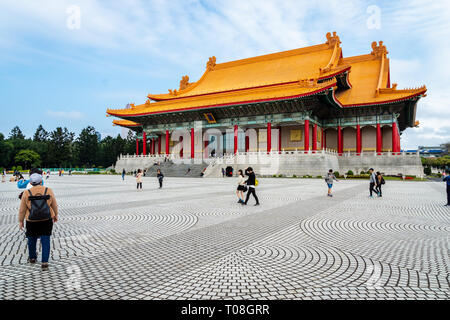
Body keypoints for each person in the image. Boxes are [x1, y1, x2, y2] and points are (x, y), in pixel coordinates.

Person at [18, 172, 58, 271]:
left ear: (31, 183)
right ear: (41, 181)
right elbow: (54, 205)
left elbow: (22, 209)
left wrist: (21, 221)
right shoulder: (48, 190)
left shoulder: (27, 193)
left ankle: (32, 258)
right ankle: (44, 261)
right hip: (46, 219)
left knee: (31, 239)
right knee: (45, 240)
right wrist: (55, 215)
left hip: (31, 220)